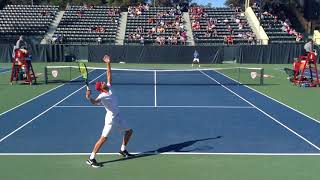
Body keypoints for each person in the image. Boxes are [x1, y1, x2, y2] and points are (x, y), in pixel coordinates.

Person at [85, 55, 134, 168]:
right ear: (101, 88)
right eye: (101, 83)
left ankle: (123, 150)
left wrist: (108, 63)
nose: (103, 82)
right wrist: (88, 98)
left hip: (118, 116)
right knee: (103, 138)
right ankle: (91, 158)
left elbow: (108, 74)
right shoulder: (102, 95)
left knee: (129, 131)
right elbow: (95, 102)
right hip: (110, 120)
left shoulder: (109, 86)